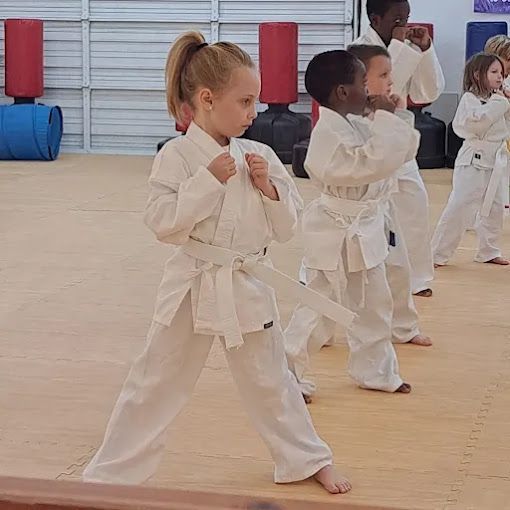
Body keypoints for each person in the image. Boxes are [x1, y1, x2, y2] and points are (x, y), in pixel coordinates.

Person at [82, 31, 353, 495]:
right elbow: (164, 225)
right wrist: (206, 183)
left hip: (245, 283)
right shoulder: (177, 157)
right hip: (192, 282)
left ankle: (305, 458)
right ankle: (112, 474)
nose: (253, 113)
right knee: (155, 380)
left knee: (273, 380)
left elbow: (288, 227)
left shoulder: (260, 155)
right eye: (245, 101)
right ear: (206, 99)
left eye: (255, 102)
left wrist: (269, 190)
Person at [285, 49, 419, 402]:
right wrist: (387, 121)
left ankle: (375, 371)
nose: (369, 90)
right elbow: (371, 164)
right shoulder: (327, 135)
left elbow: (401, 153)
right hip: (335, 232)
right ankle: (288, 374)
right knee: (320, 308)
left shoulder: (357, 123)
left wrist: (394, 115)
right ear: (342, 93)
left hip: (365, 229)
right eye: (363, 83)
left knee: (375, 303)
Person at [354, 0, 445, 297]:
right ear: (376, 19)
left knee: (414, 207)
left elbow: (428, 92)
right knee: (354, 216)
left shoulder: (405, 49)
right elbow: (378, 90)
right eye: (397, 19)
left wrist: (425, 49)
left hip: (399, 146)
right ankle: (312, 271)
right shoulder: (357, 51)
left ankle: (417, 279)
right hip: (365, 146)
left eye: (406, 18)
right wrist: (399, 47)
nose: (404, 24)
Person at [432, 53, 510, 267]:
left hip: (496, 161)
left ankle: (489, 250)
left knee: (495, 208)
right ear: (477, 74)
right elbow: (475, 124)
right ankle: (437, 253)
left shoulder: (500, 99)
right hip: (473, 161)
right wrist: (500, 103)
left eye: (501, 73)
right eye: (494, 72)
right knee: (460, 206)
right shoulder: (470, 99)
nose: (499, 77)